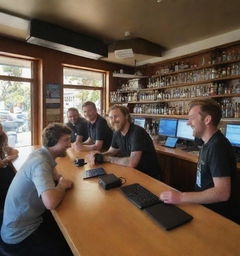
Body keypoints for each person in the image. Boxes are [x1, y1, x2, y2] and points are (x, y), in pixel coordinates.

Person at [0, 123, 73, 255]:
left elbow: (56, 175)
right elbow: (51, 203)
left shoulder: (41, 154)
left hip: (25, 223)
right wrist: (61, 185)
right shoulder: (40, 162)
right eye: (66, 140)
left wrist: (59, 180)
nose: (70, 144)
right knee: (67, 249)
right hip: (19, 236)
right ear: (52, 142)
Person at [160, 99, 238, 221]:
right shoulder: (207, 142)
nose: (187, 123)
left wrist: (181, 197)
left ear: (207, 120)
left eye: (191, 118)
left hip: (215, 217)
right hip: (203, 208)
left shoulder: (217, 147)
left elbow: (222, 192)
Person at [91, 105, 160, 179]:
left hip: (149, 177)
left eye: (116, 116)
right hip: (133, 173)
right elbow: (112, 151)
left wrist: (107, 158)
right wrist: (97, 155)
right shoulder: (117, 132)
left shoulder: (137, 132)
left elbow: (132, 162)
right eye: (111, 117)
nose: (113, 120)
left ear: (126, 116)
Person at [0, 123, 19, 209]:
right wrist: (8, 159)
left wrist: (11, 150)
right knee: (9, 176)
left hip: (3, 166)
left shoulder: (3, 136)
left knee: (13, 173)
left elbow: (8, 148)